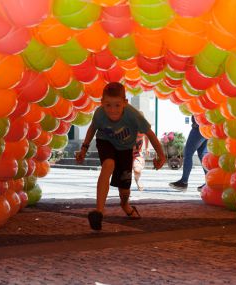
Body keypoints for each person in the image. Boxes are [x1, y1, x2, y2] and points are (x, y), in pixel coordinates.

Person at [76, 82, 166, 231]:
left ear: (125, 103)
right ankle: (99, 212)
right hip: (106, 142)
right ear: (102, 103)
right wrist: (84, 148)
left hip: (125, 149)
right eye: (108, 105)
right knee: (108, 164)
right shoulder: (99, 113)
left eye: (117, 105)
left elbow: (150, 134)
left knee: (124, 189)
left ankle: (125, 205)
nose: (112, 110)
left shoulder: (133, 115)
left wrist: (161, 156)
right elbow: (92, 128)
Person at [169, 115, 208, 192]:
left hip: (198, 128)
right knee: (203, 155)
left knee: (188, 153)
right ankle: (210, 182)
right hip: (207, 128)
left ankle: (184, 181)